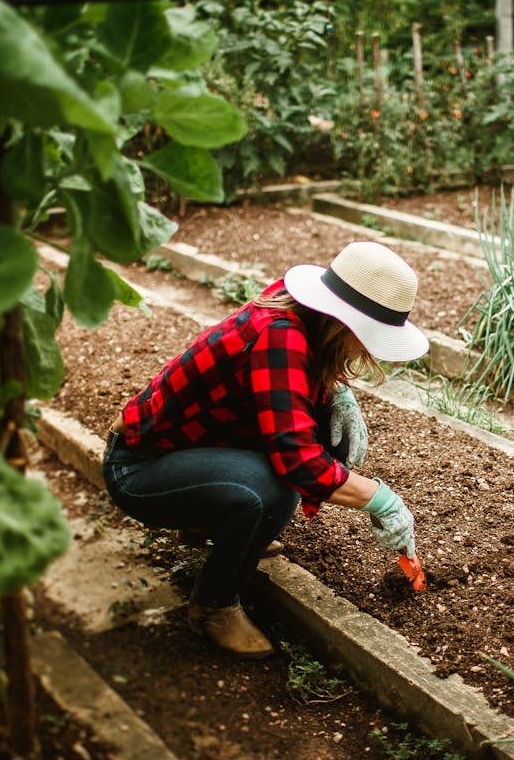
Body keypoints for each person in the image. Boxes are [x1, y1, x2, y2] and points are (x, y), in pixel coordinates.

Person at [102, 242, 429, 659]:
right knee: (272, 490)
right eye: (367, 338)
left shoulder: (294, 309)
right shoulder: (279, 336)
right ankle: (213, 606)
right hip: (137, 471)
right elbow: (301, 464)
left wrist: (337, 393)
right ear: (343, 323)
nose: (367, 351)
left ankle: (209, 523)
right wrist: (382, 500)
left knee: (322, 445)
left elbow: (284, 395)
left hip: (184, 453)